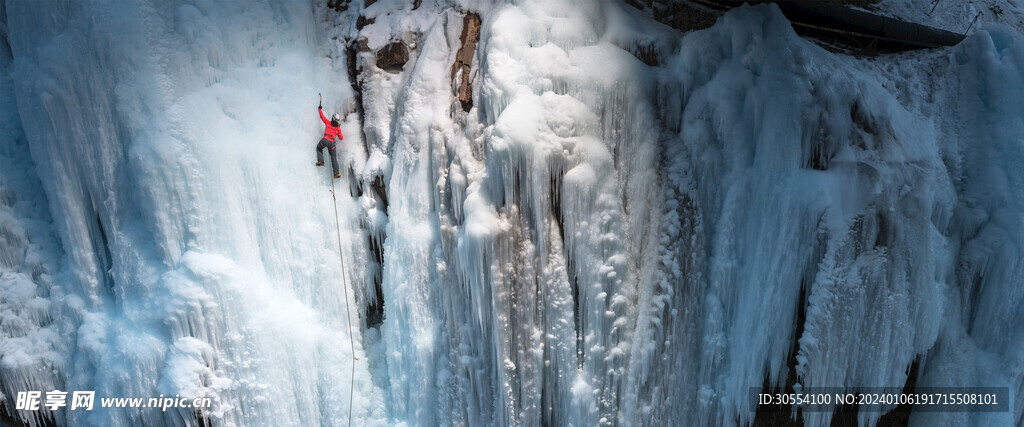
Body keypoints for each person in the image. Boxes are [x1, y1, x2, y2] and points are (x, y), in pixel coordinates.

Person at [316, 105, 344, 178]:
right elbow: (341, 138)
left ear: (332, 118)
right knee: (333, 158)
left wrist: (319, 109)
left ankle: (321, 161)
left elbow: (322, 117)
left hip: (325, 140)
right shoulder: (338, 128)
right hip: (332, 144)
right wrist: (338, 130)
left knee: (319, 148)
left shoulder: (328, 122)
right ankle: (336, 173)